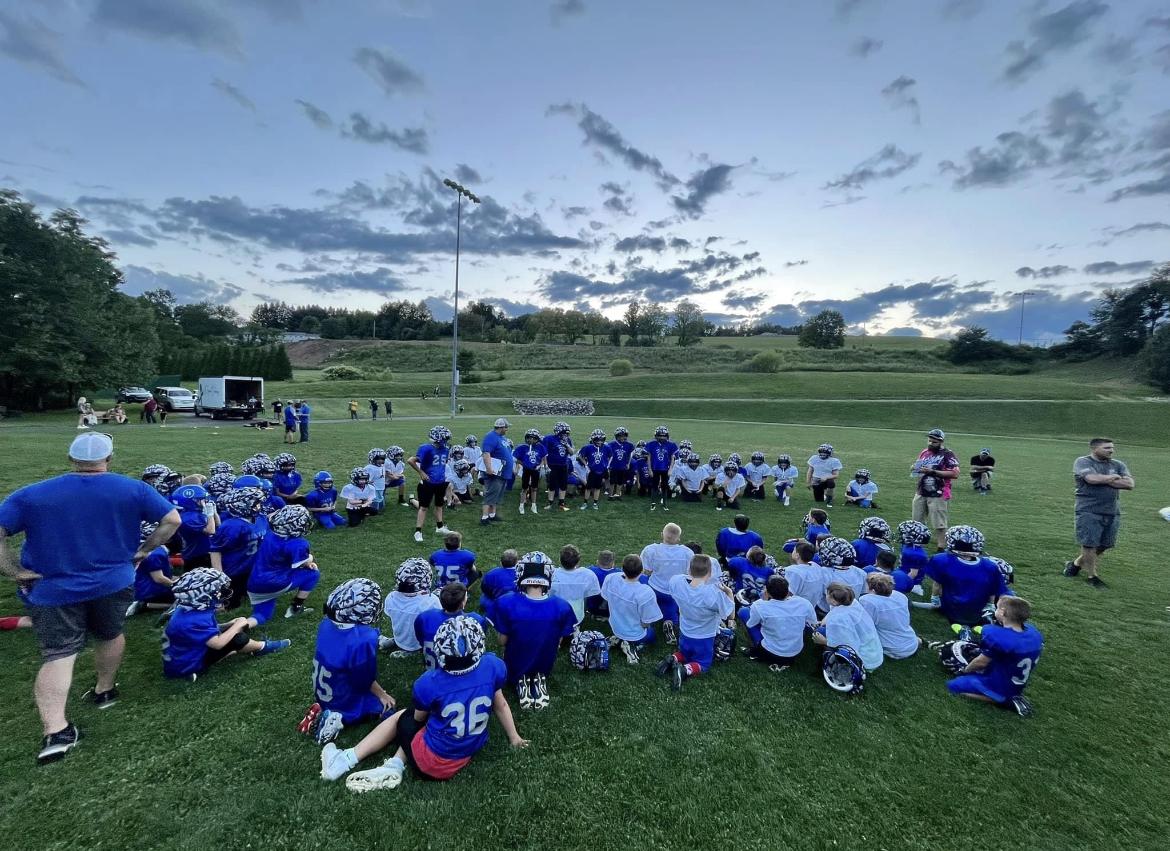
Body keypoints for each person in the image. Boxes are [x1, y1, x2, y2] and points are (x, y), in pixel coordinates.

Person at [0, 432, 180, 764]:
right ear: (108, 458)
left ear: (71, 459)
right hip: (113, 580)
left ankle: (56, 731)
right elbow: (172, 520)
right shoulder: (133, 489)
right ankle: (104, 691)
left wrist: (14, 570)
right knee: (110, 634)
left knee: (59, 655)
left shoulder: (32, 495)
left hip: (54, 588)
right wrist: (144, 550)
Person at [319, 616, 527, 792]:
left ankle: (348, 759)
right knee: (432, 717)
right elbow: (500, 704)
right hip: (468, 750)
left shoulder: (430, 682)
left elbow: (417, 720)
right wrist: (514, 737)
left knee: (404, 716)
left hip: (431, 760)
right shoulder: (493, 666)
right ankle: (394, 763)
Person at [300, 578, 396, 746]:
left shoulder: (326, 624)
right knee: (388, 708)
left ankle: (322, 707)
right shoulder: (363, 638)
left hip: (326, 690)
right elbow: (362, 680)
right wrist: (382, 694)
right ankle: (335, 717)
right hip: (342, 698)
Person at [163, 568, 289, 682]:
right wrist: (236, 626)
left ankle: (199, 667)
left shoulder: (188, 609)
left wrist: (228, 625)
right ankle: (262, 647)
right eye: (218, 591)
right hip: (185, 665)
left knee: (232, 633)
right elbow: (217, 644)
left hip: (179, 659)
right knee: (239, 639)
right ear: (203, 595)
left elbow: (201, 632)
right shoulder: (196, 619)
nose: (222, 592)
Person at [492, 551, 577, 710]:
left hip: (516, 659)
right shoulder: (562, 606)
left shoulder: (506, 602)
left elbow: (502, 641)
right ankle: (539, 677)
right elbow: (559, 641)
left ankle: (520, 680)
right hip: (545, 658)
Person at [942, 596, 1042, 717]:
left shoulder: (1000, 637)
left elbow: (981, 662)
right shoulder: (1033, 633)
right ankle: (1006, 697)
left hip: (998, 684)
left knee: (954, 686)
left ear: (1003, 612)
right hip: (1015, 681)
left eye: (997, 607)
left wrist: (965, 670)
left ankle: (1004, 700)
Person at [655, 554, 734, 691]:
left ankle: (672, 658)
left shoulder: (676, 581)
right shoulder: (713, 594)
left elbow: (687, 584)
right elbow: (730, 615)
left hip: (685, 632)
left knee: (684, 653)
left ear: (689, 570)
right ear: (710, 573)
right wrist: (729, 593)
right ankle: (685, 670)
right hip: (704, 637)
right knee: (703, 663)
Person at [1065, 437, 1134, 588]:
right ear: (1094, 449)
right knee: (1089, 544)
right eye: (1107, 448)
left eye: (1112, 448)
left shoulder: (1118, 464)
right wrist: (1113, 478)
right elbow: (1091, 479)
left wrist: (1104, 479)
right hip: (1088, 509)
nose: (1111, 450)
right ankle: (1092, 576)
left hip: (1111, 511)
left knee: (1105, 545)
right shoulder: (1083, 462)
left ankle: (1076, 564)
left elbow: (1129, 484)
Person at [924, 525, 1013, 626]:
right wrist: (990, 605)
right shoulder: (990, 566)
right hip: (979, 610)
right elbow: (992, 590)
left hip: (951, 609)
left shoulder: (941, 560)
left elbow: (937, 585)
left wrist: (935, 599)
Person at [246, 505, 319, 625]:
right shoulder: (298, 543)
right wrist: (309, 559)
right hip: (276, 583)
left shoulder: (268, 533)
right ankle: (296, 607)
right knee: (313, 573)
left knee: (262, 616)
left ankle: (235, 628)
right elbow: (304, 562)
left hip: (255, 584)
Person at [738, 575, 817, 670]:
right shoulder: (804, 603)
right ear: (787, 591)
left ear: (767, 592)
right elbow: (813, 622)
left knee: (743, 612)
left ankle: (755, 649)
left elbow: (750, 624)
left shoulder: (759, 605)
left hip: (770, 651)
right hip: (794, 652)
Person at [210, 486, 266, 609]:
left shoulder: (261, 518)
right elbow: (215, 550)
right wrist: (219, 574)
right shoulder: (232, 526)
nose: (259, 506)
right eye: (256, 503)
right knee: (227, 605)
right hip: (234, 570)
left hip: (252, 567)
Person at [414, 582, 490, 672]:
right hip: (456, 670)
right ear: (462, 604)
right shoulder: (475, 619)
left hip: (432, 669)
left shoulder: (425, 617)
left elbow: (420, 639)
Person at [640, 523, 695, 645]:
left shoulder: (651, 550)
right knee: (671, 609)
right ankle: (669, 621)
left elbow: (647, 571)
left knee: (642, 581)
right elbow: (690, 575)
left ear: (661, 535)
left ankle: (648, 616)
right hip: (674, 593)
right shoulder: (688, 553)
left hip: (654, 590)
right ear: (678, 538)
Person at [601, 554, 662, 664]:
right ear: (642, 570)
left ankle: (618, 640)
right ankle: (632, 645)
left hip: (615, 626)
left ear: (622, 568)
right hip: (635, 633)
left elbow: (605, 597)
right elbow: (646, 622)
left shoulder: (611, 578)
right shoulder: (645, 592)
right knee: (652, 635)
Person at [811, 583, 883, 673]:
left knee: (820, 633)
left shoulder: (838, 619)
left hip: (863, 659)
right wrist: (822, 622)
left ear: (833, 601)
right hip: (872, 651)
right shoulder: (851, 602)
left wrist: (824, 641)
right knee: (822, 629)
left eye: (827, 594)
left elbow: (848, 646)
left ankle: (830, 667)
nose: (825, 595)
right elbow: (833, 612)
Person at [910, 428, 960, 550]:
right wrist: (914, 468)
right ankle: (918, 542)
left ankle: (941, 546)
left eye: (934, 442)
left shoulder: (948, 454)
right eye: (930, 441)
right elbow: (918, 467)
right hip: (921, 490)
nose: (931, 444)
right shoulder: (924, 452)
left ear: (941, 442)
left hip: (939, 491)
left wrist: (933, 471)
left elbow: (955, 473)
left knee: (939, 521)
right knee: (917, 518)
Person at [383, 558, 441, 659]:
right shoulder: (432, 601)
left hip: (400, 637)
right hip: (417, 643)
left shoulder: (391, 597)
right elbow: (440, 618)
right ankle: (411, 652)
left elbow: (392, 613)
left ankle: (395, 642)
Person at [859, 573, 920, 660]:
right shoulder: (900, 596)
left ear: (871, 588)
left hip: (893, 649)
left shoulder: (867, 601)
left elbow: (864, 626)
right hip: (912, 643)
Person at [408, 426, 454, 543]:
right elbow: (411, 460)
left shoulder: (446, 448)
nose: (446, 441)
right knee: (424, 507)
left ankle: (440, 527)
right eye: (444, 438)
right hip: (427, 483)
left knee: (439, 506)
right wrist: (421, 472)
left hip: (440, 481)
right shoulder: (426, 448)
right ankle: (418, 531)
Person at [550, 544, 601, 624]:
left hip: (556, 613)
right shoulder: (588, 574)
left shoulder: (551, 574)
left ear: (559, 559)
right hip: (576, 614)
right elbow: (591, 593)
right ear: (578, 561)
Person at [480, 418, 512, 526]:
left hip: (503, 473)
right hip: (495, 472)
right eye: (506, 427)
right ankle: (484, 518)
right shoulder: (491, 437)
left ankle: (492, 515)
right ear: (501, 427)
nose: (507, 429)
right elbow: (486, 453)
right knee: (491, 494)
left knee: (496, 495)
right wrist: (489, 468)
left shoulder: (501, 437)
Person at [478, 549, 520, 626]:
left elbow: (484, 589)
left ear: (501, 562)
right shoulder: (522, 574)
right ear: (517, 562)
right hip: (517, 606)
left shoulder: (491, 573)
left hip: (497, 604)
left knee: (483, 599)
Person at [578, 428, 612, 511]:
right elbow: (580, 456)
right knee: (588, 487)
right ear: (593, 440)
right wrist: (586, 465)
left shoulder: (606, 447)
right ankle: (585, 502)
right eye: (597, 440)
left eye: (601, 440)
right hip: (592, 470)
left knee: (598, 488)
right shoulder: (588, 447)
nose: (599, 442)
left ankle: (595, 503)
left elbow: (611, 456)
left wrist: (607, 465)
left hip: (601, 470)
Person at [515, 429, 547, 515]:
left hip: (536, 470)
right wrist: (524, 464)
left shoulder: (540, 447)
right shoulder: (522, 447)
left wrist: (539, 465)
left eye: (534, 438)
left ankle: (534, 505)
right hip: (526, 469)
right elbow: (517, 460)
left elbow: (543, 459)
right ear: (526, 438)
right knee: (524, 488)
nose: (531, 440)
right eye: (529, 438)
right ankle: (521, 505)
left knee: (534, 488)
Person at [647, 425, 678, 511]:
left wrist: (671, 469)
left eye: (663, 435)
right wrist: (649, 469)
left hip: (665, 468)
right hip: (655, 468)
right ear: (656, 436)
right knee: (654, 486)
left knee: (665, 486)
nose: (662, 437)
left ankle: (664, 503)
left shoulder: (671, 445)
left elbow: (673, 458)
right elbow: (649, 457)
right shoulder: (651, 444)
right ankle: (653, 503)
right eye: (660, 435)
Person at [605, 426, 635, 499]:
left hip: (623, 466)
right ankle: (610, 495)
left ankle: (617, 494)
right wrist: (608, 465)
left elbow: (630, 454)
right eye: (620, 436)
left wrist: (628, 463)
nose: (622, 438)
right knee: (612, 482)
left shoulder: (629, 445)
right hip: (614, 466)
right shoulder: (611, 444)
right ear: (616, 436)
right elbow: (608, 455)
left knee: (620, 482)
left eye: (624, 436)